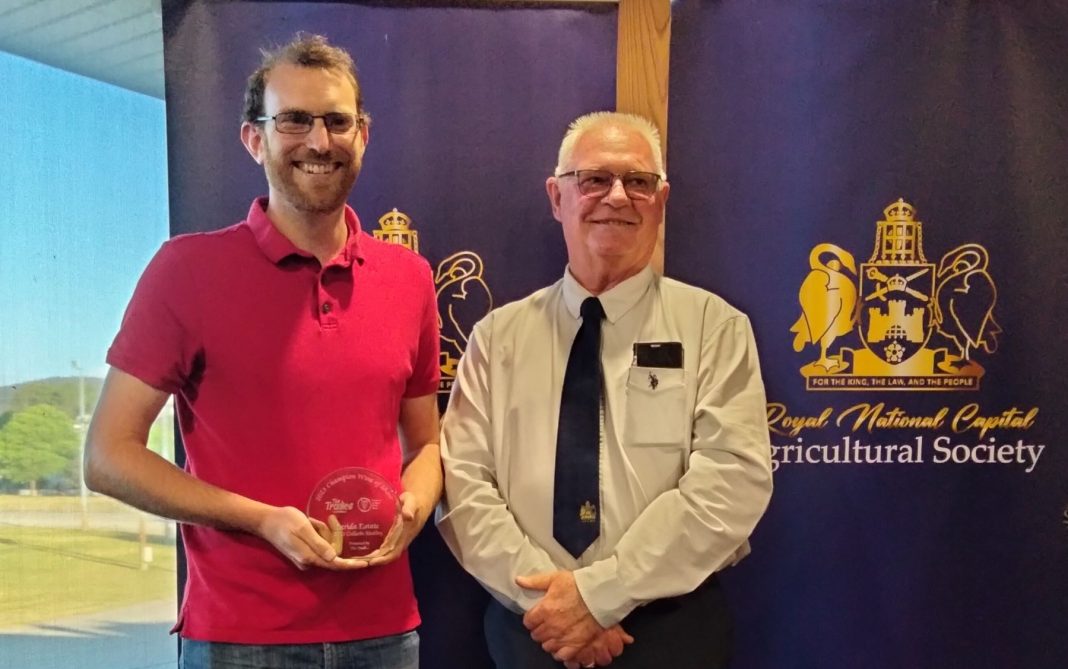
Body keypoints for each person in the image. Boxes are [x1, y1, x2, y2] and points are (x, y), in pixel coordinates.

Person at [84, 34, 441, 668]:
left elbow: (428, 445)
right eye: (294, 120)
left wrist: (414, 502)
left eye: (337, 121)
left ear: (363, 134)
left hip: (385, 632)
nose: (318, 141)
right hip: (241, 639)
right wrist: (259, 519)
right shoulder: (187, 270)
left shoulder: (410, 278)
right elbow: (109, 456)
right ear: (255, 139)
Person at [437, 111, 773, 669]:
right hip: (534, 626)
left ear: (660, 200)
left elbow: (731, 482)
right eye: (594, 179)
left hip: (671, 630)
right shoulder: (497, 338)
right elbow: (464, 485)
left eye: (638, 182)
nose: (617, 196)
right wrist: (553, 606)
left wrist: (601, 595)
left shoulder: (715, 326)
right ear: (557, 196)